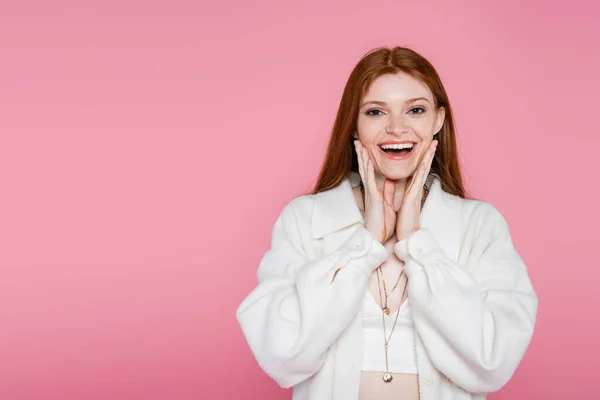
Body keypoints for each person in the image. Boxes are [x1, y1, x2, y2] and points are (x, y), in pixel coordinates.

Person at [235, 46, 538, 400]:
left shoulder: (480, 226)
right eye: (376, 112)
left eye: (416, 110)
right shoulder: (305, 219)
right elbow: (282, 354)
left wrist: (418, 246)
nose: (397, 127)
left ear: (438, 120)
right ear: (355, 125)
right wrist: (365, 244)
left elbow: (493, 361)